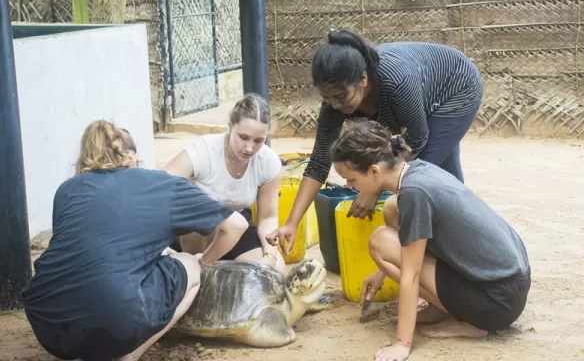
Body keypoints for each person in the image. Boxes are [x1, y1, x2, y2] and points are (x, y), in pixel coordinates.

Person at [21, 120, 249, 361]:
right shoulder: (160, 182)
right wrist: (203, 261)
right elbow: (236, 225)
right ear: (134, 155)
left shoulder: (66, 190)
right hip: (116, 320)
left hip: (48, 326)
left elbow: (85, 250)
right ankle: (127, 356)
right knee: (190, 267)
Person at [267, 29, 483, 254]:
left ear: (363, 79)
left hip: (456, 87)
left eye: (341, 96)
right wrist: (291, 223)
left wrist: (373, 190)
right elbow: (319, 162)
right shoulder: (334, 104)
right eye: (326, 98)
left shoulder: (395, 83)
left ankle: (447, 248)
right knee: (441, 172)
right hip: (424, 89)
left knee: (421, 174)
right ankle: (461, 236)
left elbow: (417, 140)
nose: (335, 105)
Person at [330, 120, 531, 361]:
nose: (349, 186)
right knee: (392, 209)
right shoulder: (417, 170)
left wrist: (401, 344)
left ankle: (470, 321)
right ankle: (445, 307)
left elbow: (411, 274)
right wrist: (381, 272)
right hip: (511, 284)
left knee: (380, 242)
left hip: (496, 303)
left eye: (351, 179)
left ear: (374, 171)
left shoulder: (414, 193)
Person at [164, 93, 286, 274]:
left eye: (258, 140)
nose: (249, 148)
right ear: (230, 126)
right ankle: (197, 268)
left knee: (277, 271)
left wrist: (270, 255)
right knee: (203, 228)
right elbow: (163, 183)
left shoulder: (268, 161)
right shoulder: (204, 150)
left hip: (235, 230)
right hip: (195, 232)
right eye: (243, 137)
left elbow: (268, 217)